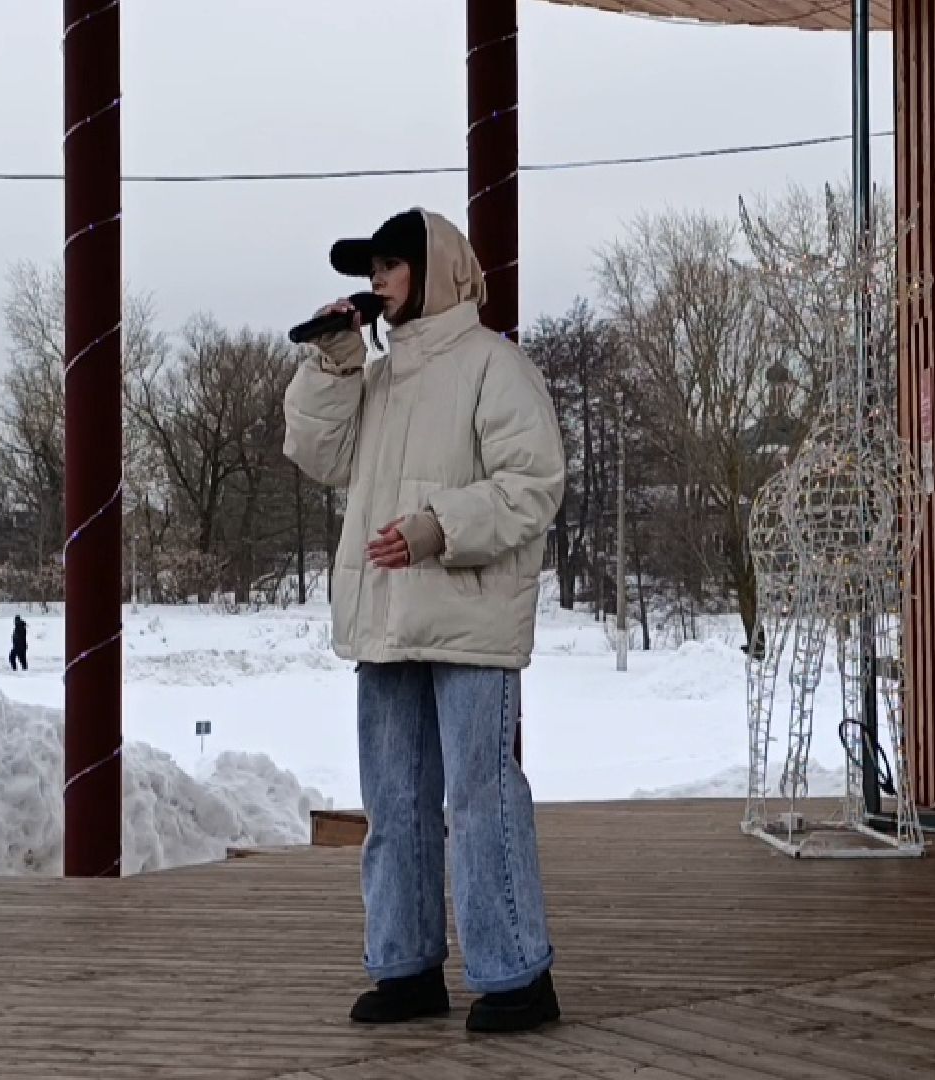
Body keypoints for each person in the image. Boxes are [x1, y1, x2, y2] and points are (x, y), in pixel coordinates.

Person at [282, 207, 566, 1033]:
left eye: (388, 266)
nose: (375, 283)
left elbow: (532, 485)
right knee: (395, 801)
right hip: (386, 617)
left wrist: (438, 527)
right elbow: (317, 456)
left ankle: (516, 977)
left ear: (434, 269)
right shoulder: (375, 377)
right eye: (369, 270)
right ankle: (406, 968)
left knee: (481, 798)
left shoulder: (493, 366)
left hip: (468, 618)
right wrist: (330, 367)